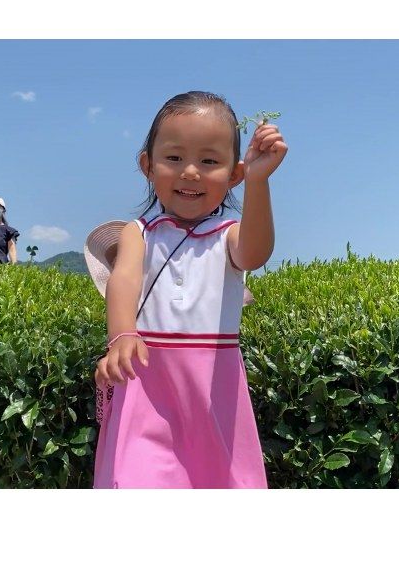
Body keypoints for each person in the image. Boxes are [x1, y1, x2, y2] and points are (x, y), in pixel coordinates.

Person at [86, 90, 288, 488]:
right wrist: (122, 334)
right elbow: (123, 279)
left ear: (234, 174)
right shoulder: (138, 233)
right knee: (137, 477)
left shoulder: (228, 235)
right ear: (148, 165)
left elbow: (255, 253)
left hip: (213, 385)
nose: (190, 171)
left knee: (214, 476)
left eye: (209, 161)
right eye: (174, 158)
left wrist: (260, 182)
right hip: (146, 376)